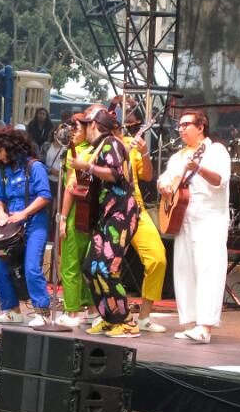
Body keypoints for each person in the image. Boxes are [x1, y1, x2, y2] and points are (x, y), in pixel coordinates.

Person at [157, 110, 230, 343]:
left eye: (186, 124)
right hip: (182, 218)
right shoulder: (178, 156)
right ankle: (192, 324)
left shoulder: (215, 150)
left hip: (209, 218)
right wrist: (163, 187)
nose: (181, 129)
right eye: (179, 125)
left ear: (201, 127)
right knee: (184, 270)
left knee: (209, 270)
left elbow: (220, 180)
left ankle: (205, 326)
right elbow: (164, 179)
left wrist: (198, 168)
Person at [68, 108, 140, 338]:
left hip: (121, 213)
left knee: (109, 268)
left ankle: (126, 321)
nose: (82, 129)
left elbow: (115, 173)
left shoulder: (111, 143)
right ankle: (109, 318)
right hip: (106, 214)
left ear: (94, 125)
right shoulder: (97, 147)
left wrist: (86, 167)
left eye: (85, 125)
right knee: (91, 268)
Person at [0, 128, 52, 327]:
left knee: (32, 267)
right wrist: (1, 214)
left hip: (34, 224)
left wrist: (24, 213)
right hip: (12, 227)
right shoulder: (4, 171)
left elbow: (45, 196)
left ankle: (43, 312)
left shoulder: (35, 166)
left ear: (10, 146)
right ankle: (12, 311)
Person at [120, 113, 167, 333]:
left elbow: (147, 176)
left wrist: (145, 152)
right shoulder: (96, 147)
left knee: (157, 258)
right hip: (110, 209)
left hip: (136, 207)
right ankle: (106, 313)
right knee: (105, 263)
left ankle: (144, 317)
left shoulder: (129, 143)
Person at [56, 112, 99, 327]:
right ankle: (91, 310)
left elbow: (70, 188)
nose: (73, 132)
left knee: (70, 263)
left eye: (77, 128)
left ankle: (72, 311)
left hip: (75, 212)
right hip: (91, 213)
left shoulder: (79, 154)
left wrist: (63, 217)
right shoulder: (95, 149)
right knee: (87, 265)